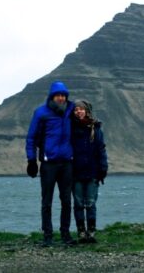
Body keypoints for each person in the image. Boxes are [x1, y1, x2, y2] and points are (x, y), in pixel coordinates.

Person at [25, 81, 76, 247]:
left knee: (66, 201)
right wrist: (31, 160)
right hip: (49, 164)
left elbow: (85, 118)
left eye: (64, 95)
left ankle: (65, 234)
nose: (61, 98)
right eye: (58, 95)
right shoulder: (41, 113)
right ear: (52, 96)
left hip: (67, 163)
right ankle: (47, 235)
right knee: (47, 201)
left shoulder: (71, 110)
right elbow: (31, 137)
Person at [70, 99, 108, 243]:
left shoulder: (96, 128)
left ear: (86, 110)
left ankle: (91, 232)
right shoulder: (70, 128)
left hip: (92, 172)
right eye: (76, 109)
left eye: (81, 109)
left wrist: (103, 168)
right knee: (78, 204)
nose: (78, 111)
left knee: (91, 204)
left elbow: (101, 149)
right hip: (76, 173)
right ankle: (81, 232)